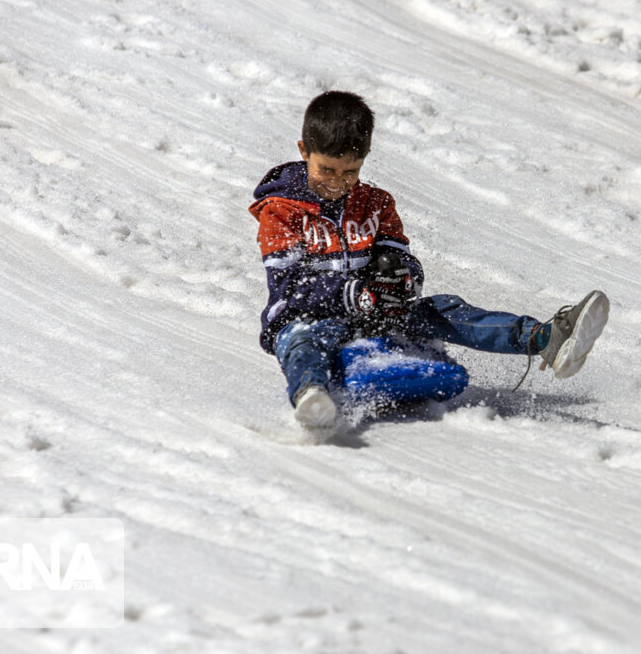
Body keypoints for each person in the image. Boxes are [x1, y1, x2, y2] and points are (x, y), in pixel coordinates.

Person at [248, 90, 609, 433]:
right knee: (303, 340)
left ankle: (545, 337)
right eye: (327, 170)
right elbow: (288, 287)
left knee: (445, 308)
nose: (338, 183)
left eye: (350, 172)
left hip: (373, 315)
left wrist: (401, 280)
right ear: (304, 151)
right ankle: (311, 396)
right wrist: (353, 293)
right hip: (308, 317)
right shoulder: (281, 212)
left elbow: (402, 256)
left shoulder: (375, 203)